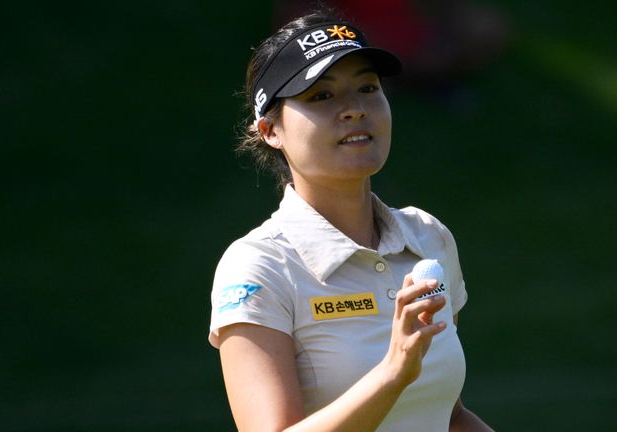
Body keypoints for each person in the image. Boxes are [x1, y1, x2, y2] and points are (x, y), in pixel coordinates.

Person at [208, 10, 494, 432]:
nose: (355, 109)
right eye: (322, 96)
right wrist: (393, 372)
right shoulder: (258, 268)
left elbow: (446, 414)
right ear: (270, 130)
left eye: (367, 88)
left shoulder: (428, 237)